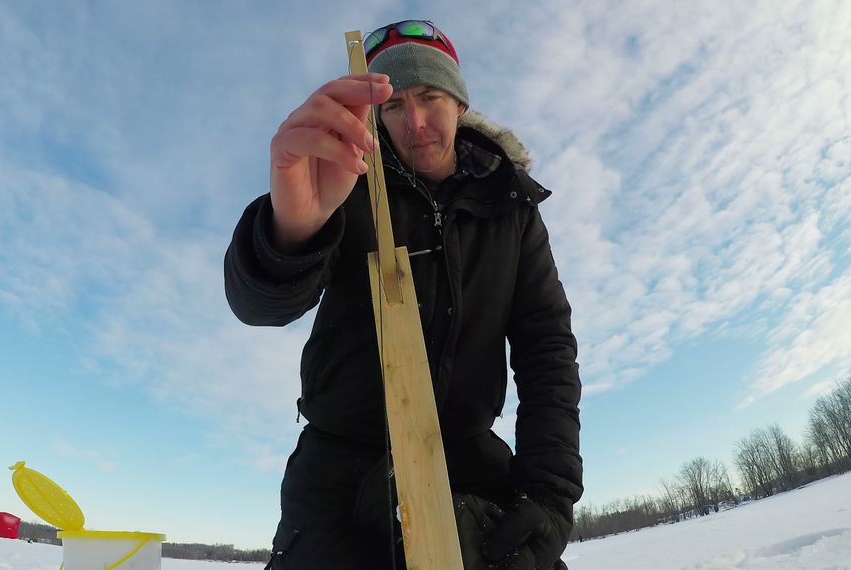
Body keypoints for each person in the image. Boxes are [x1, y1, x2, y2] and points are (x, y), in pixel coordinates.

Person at [225, 19, 583, 570]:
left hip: (467, 463)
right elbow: (259, 306)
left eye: (429, 97)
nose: (413, 122)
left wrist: (548, 496)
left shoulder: (511, 208)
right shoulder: (342, 182)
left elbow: (547, 349)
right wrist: (289, 232)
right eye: (393, 106)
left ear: (459, 103)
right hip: (338, 474)